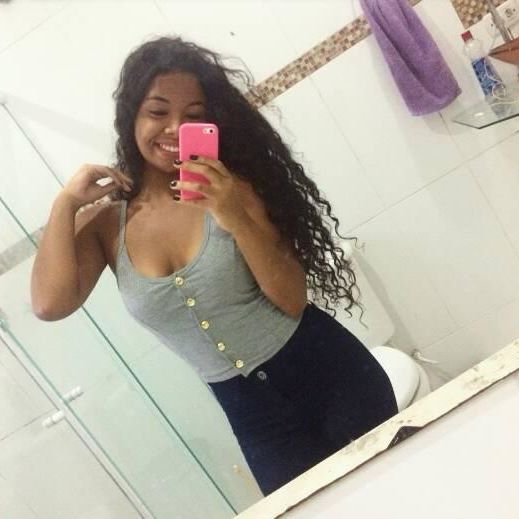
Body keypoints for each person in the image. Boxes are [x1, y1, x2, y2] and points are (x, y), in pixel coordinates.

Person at [30, 36, 398, 496]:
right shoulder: (107, 225)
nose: (174, 128)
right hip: (255, 417)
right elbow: (49, 305)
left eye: (193, 115)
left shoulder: (231, 188)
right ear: (131, 117)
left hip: (332, 376)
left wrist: (234, 215)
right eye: (158, 111)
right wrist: (65, 205)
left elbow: (291, 299)